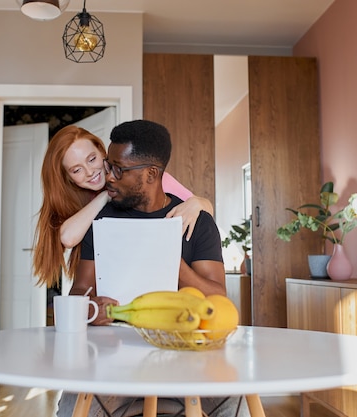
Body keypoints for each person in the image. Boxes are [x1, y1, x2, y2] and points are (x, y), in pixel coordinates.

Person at [58, 120, 247, 417]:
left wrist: (172, 262)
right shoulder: (101, 222)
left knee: (237, 404)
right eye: (109, 165)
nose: (109, 176)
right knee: (72, 408)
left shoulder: (196, 222)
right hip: (115, 355)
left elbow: (218, 299)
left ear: (151, 174)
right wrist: (91, 308)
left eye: (119, 169)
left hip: (189, 352)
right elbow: (79, 289)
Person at [32, 125, 213, 289]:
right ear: (68, 178)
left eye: (92, 159)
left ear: (103, 153)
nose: (90, 172)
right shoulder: (80, 198)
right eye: (76, 170)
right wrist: (105, 196)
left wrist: (197, 203)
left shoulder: (149, 180)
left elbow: (205, 211)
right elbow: (68, 238)